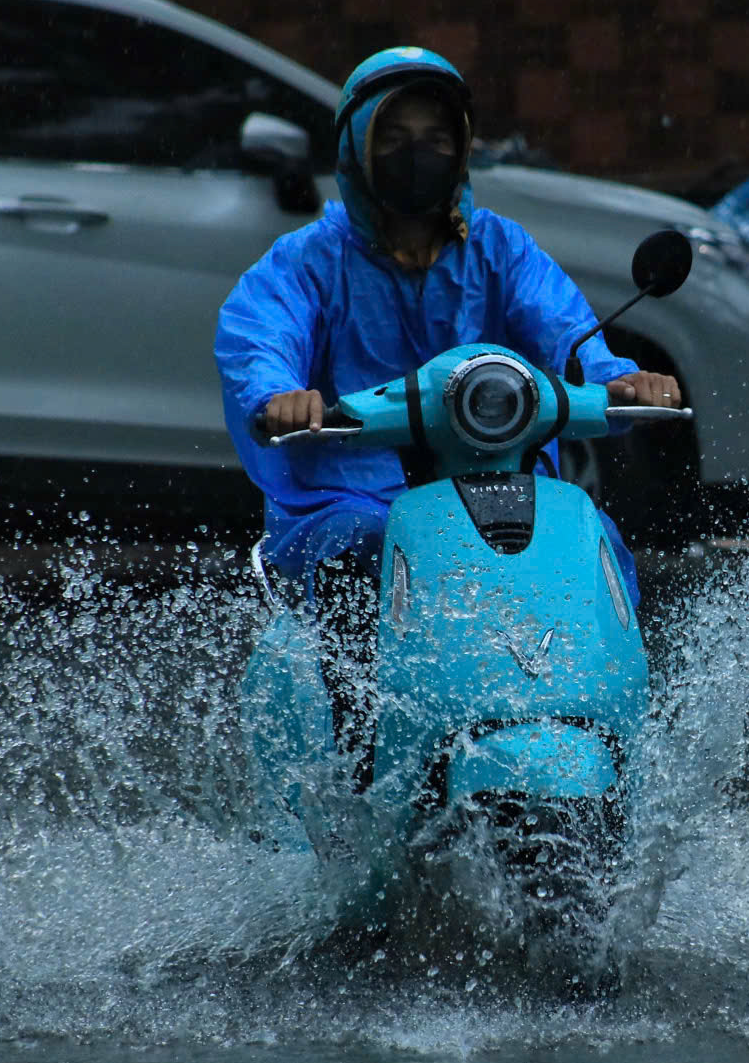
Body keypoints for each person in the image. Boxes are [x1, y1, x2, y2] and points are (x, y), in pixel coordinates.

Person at [215, 46, 679, 770]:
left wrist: (619, 378)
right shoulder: (307, 259)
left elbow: (565, 328)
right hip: (349, 492)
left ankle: (621, 744)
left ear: (462, 148)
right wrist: (277, 395)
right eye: (394, 139)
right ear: (355, 147)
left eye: (436, 139)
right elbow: (258, 336)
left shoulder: (500, 248)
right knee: (360, 547)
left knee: (597, 545)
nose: (417, 155)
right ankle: (358, 755)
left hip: (499, 481)